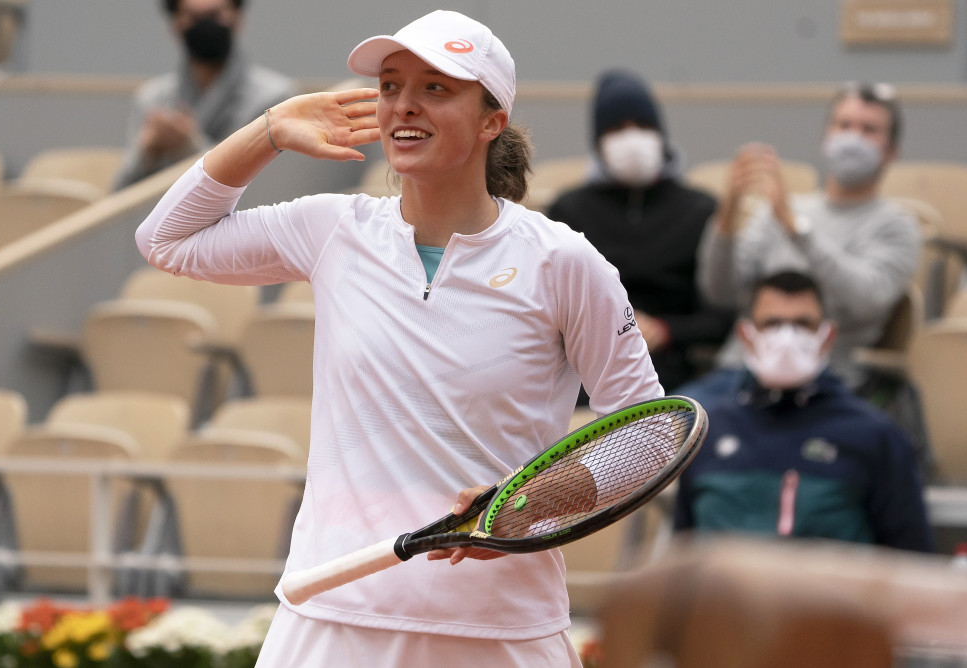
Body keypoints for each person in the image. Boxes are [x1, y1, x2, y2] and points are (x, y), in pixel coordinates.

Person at [135, 10, 663, 666]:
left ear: (491, 120)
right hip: (332, 614)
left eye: (436, 88)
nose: (404, 106)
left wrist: (534, 502)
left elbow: (644, 431)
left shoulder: (564, 261)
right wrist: (269, 130)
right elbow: (167, 239)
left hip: (502, 628)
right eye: (390, 86)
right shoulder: (333, 228)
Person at [685, 82, 920, 404]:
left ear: (892, 150)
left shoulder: (897, 227)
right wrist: (728, 215)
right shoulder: (778, 211)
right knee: (661, 432)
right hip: (739, 374)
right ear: (827, 136)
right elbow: (720, 292)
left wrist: (797, 230)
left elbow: (865, 301)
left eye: (869, 130)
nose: (853, 138)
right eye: (844, 125)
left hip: (828, 383)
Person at [673, 271, 933, 552]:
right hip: (719, 596)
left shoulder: (875, 436)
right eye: (772, 323)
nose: (787, 337)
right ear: (746, 336)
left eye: (803, 324)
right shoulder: (706, 432)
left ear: (827, 336)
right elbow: (682, 555)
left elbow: (912, 560)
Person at [547, 69, 734, 395]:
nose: (631, 137)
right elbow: (550, 311)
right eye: (617, 129)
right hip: (585, 374)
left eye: (643, 126)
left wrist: (666, 329)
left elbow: (721, 317)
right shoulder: (569, 211)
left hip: (675, 376)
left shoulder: (699, 209)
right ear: (598, 143)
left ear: (661, 134)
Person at [112, 0, 296, 189]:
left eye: (213, 16)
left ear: (238, 17)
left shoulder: (275, 99)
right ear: (175, 23)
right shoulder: (153, 99)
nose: (205, 27)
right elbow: (119, 195)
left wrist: (188, 146)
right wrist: (147, 151)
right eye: (195, 18)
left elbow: (267, 188)